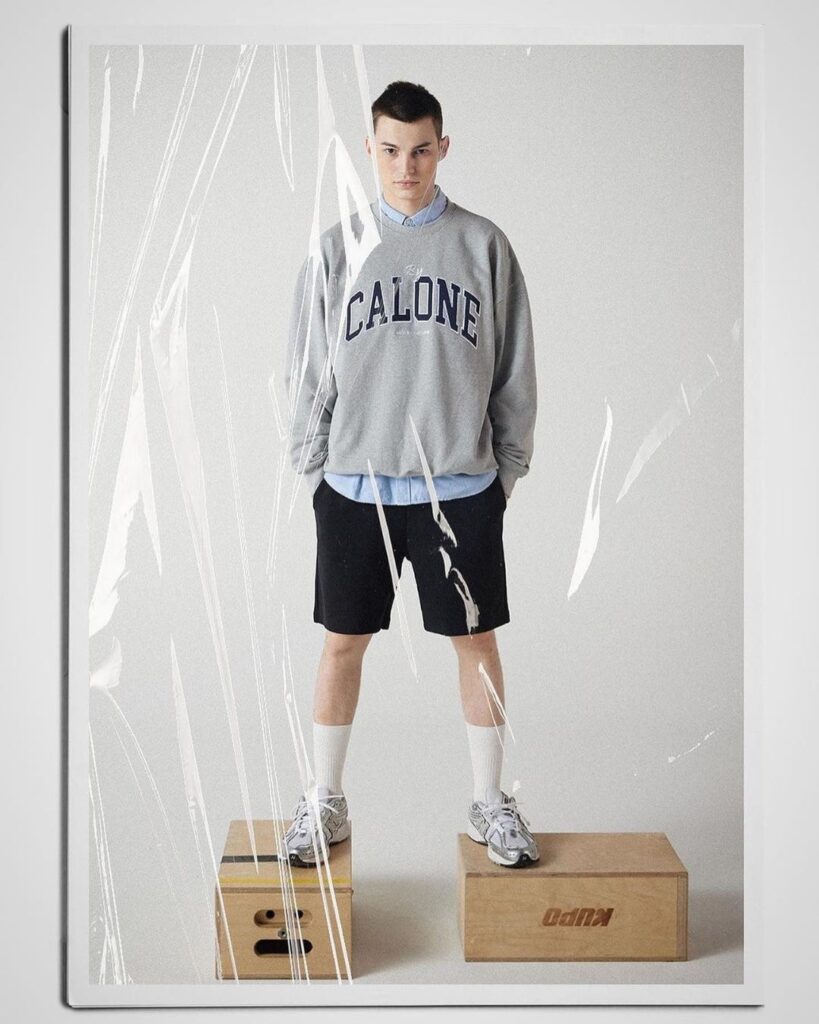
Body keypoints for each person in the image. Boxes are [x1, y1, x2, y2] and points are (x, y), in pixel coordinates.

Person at [283, 81, 539, 869]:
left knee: (475, 643)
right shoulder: (338, 248)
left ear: (442, 148)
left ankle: (489, 803)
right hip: (355, 487)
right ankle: (323, 800)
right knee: (341, 645)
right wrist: (315, 466)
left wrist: (503, 470)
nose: (406, 166)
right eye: (391, 150)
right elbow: (305, 367)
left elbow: (514, 366)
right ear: (370, 149)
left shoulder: (483, 245)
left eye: (421, 149)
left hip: (457, 488)